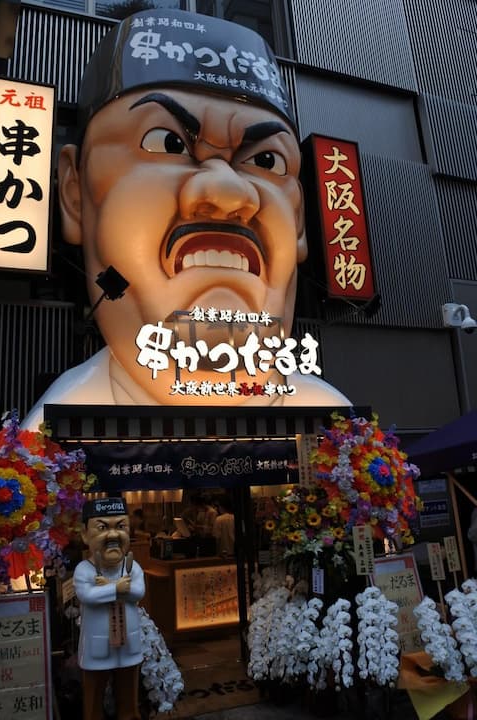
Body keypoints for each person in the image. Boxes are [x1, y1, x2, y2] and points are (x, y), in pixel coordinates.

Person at [22, 8, 350, 430]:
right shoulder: (47, 436)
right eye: (166, 142)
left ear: (300, 218)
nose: (229, 194)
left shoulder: (334, 428)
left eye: (266, 161)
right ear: (75, 195)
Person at [73, 496, 145, 720]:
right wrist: (117, 589)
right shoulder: (84, 569)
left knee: (129, 699)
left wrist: (112, 587)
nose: (113, 535)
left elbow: (138, 592)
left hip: (128, 644)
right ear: (85, 534)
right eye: (102, 528)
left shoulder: (133, 567)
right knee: (93, 699)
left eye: (121, 527)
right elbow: (87, 595)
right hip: (97, 646)